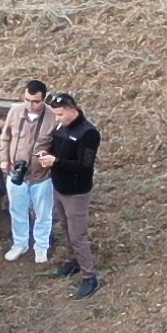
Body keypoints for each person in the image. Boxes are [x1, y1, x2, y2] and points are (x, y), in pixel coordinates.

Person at [42, 89, 103, 299]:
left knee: (78, 236)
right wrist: (47, 155)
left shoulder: (88, 133)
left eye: (59, 114)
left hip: (76, 192)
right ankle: (73, 261)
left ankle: (90, 277)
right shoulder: (62, 127)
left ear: (71, 110)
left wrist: (56, 162)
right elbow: (55, 149)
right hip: (59, 187)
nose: (57, 119)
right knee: (66, 228)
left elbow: (84, 166)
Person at [0, 80, 53, 264]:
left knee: (43, 213)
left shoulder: (53, 118)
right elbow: (5, 137)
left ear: (44, 99)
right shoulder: (15, 111)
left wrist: (50, 160)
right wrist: (4, 159)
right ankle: (20, 243)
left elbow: (60, 146)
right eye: (27, 100)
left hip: (41, 177)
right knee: (17, 210)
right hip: (16, 173)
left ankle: (41, 246)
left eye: (35, 101)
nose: (30, 105)